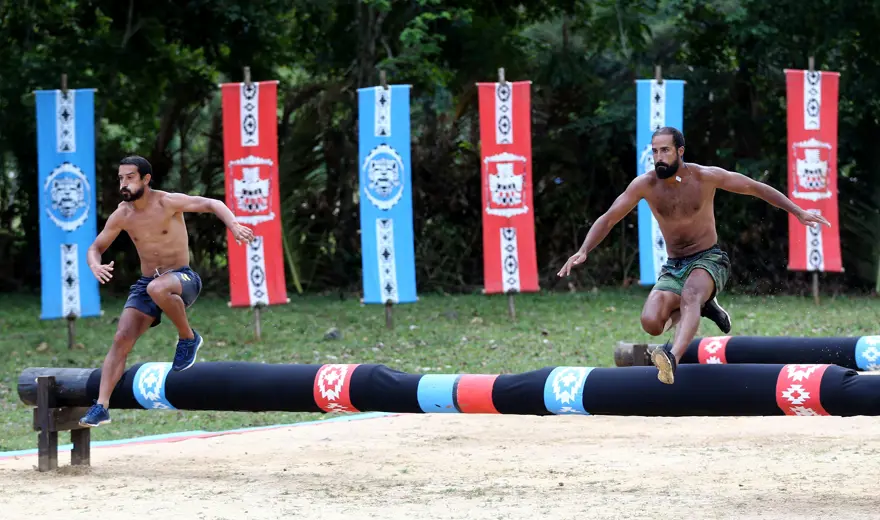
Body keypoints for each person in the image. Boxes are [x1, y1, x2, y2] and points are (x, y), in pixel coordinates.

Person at [557, 127, 830, 385]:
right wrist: (583, 250)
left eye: (665, 151)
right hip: (674, 266)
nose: (659, 158)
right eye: (654, 152)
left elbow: (755, 187)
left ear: (680, 151)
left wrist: (798, 211)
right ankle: (705, 305)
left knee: (690, 295)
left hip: (710, 259)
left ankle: (672, 358)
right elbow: (608, 219)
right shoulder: (645, 185)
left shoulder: (705, 177)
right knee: (651, 323)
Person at [78, 155, 255, 427]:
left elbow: (212, 203)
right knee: (121, 338)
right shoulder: (122, 214)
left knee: (157, 287)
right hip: (148, 284)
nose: (124, 184)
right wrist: (94, 265)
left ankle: (188, 338)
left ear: (146, 179)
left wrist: (232, 225)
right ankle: (101, 406)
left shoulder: (167, 202)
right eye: (121, 178)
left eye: (130, 178)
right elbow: (95, 248)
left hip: (182, 278)